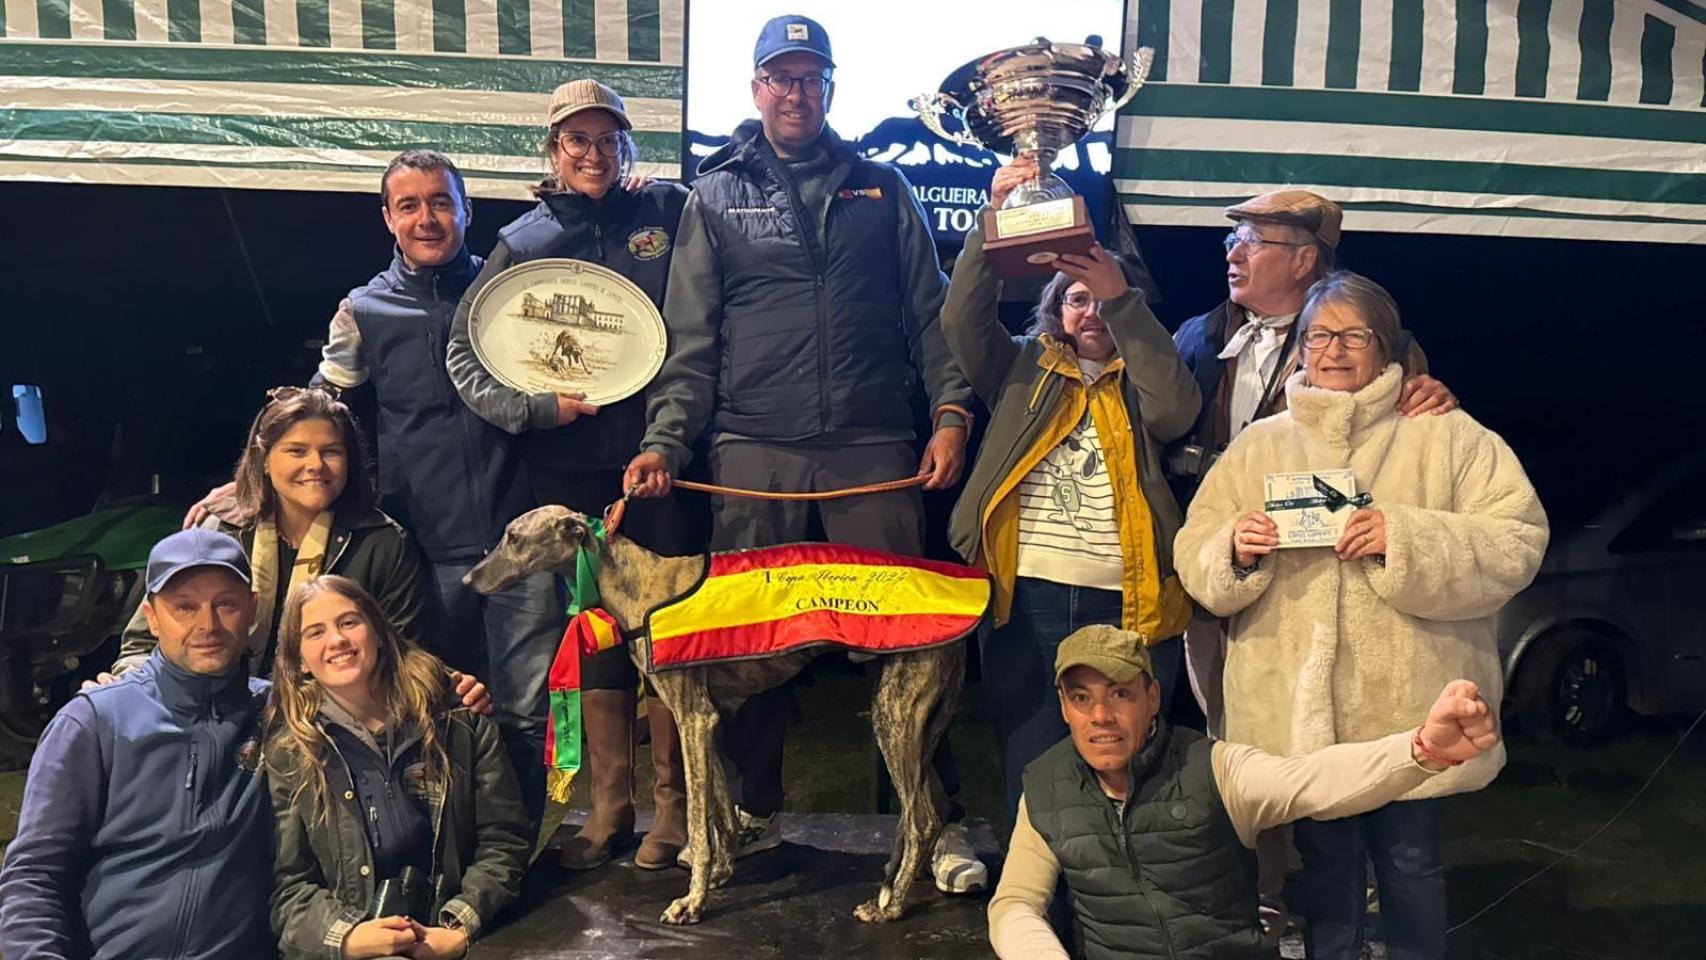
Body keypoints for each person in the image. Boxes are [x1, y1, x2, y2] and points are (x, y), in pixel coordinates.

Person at [622, 14, 983, 891]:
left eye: (810, 76)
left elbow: (932, 318)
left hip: (872, 449)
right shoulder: (715, 195)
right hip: (755, 449)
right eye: (779, 78)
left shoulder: (883, 189)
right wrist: (667, 439)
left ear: (829, 86)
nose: (795, 92)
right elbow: (691, 339)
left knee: (908, 642)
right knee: (744, 647)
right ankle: (753, 816)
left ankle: (931, 823)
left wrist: (950, 415)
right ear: (756, 90)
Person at [1173, 271, 1548, 960]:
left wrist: (1403, 537)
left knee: (1410, 866)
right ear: (1301, 347)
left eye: (1354, 335)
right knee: (1325, 872)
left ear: (1386, 347)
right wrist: (1236, 548)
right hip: (1296, 713)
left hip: (1414, 706)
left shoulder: (1449, 437)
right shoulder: (1261, 446)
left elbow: (1517, 540)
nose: (1334, 350)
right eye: (1320, 335)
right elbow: (1195, 548)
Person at [195, 150, 560, 832]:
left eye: (442, 202)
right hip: (423, 549)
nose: (429, 218)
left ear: (467, 211)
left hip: (521, 548)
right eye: (411, 205)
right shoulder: (362, 310)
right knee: (432, 709)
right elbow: (310, 411)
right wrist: (244, 481)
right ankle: (440, 852)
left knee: (523, 714)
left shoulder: (508, 295)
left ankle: (516, 854)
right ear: (389, 218)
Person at [0, 530, 490, 959]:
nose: (208, 625)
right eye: (185, 607)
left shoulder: (286, 714)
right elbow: (34, 875)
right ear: (151, 617)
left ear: (253, 611)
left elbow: (368, 688)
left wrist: (450, 689)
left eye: (226, 604)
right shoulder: (94, 722)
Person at [446, 79, 695, 872]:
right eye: (576, 141)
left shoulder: (670, 216)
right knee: (594, 640)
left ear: (628, 146)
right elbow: (466, 355)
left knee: (665, 635)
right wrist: (535, 411)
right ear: (553, 151)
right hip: (564, 478)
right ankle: (609, 806)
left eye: (608, 139)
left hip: (656, 470)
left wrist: (670, 442)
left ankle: (675, 808)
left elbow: (694, 334)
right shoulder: (521, 242)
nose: (594, 154)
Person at [939, 157, 1199, 828]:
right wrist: (988, 222)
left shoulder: (1147, 374)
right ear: (1053, 310)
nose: (1090, 310)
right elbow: (961, 323)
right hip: (1028, 593)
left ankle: (1113, 912)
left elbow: (1175, 411)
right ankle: (1030, 909)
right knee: (1031, 758)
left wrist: (1121, 299)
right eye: (1074, 296)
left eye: (1100, 298)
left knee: (1127, 760)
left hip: (1129, 596)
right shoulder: (1022, 366)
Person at [986, 625, 1505, 960]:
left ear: (1152, 697)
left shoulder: (1213, 767)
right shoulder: (1046, 788)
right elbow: (1015, 903)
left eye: (1119, 694)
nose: (1100, 716)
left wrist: (1421, 750)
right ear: (1063, 706)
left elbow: (1317, 780)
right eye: (1082, 698)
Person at [267, 575, 530, 960]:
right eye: (315, 632)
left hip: (449, 935)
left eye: (349, 622)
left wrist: (459, 924)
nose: (337, 640)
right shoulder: (290, 753)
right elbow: (288, 887)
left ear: (377, 632)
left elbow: (505, 841)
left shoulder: (457, 716)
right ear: (299, 662)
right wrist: (348, 938)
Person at [111, 387, 433, 678]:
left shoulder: (383, 543)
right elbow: (141, 644)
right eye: (296, 451)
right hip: (213, 711)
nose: (316, 465)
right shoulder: (221, 530)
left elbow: (403, 657)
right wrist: (126, 689)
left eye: (331, 451)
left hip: (328, 717)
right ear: (264, 460)